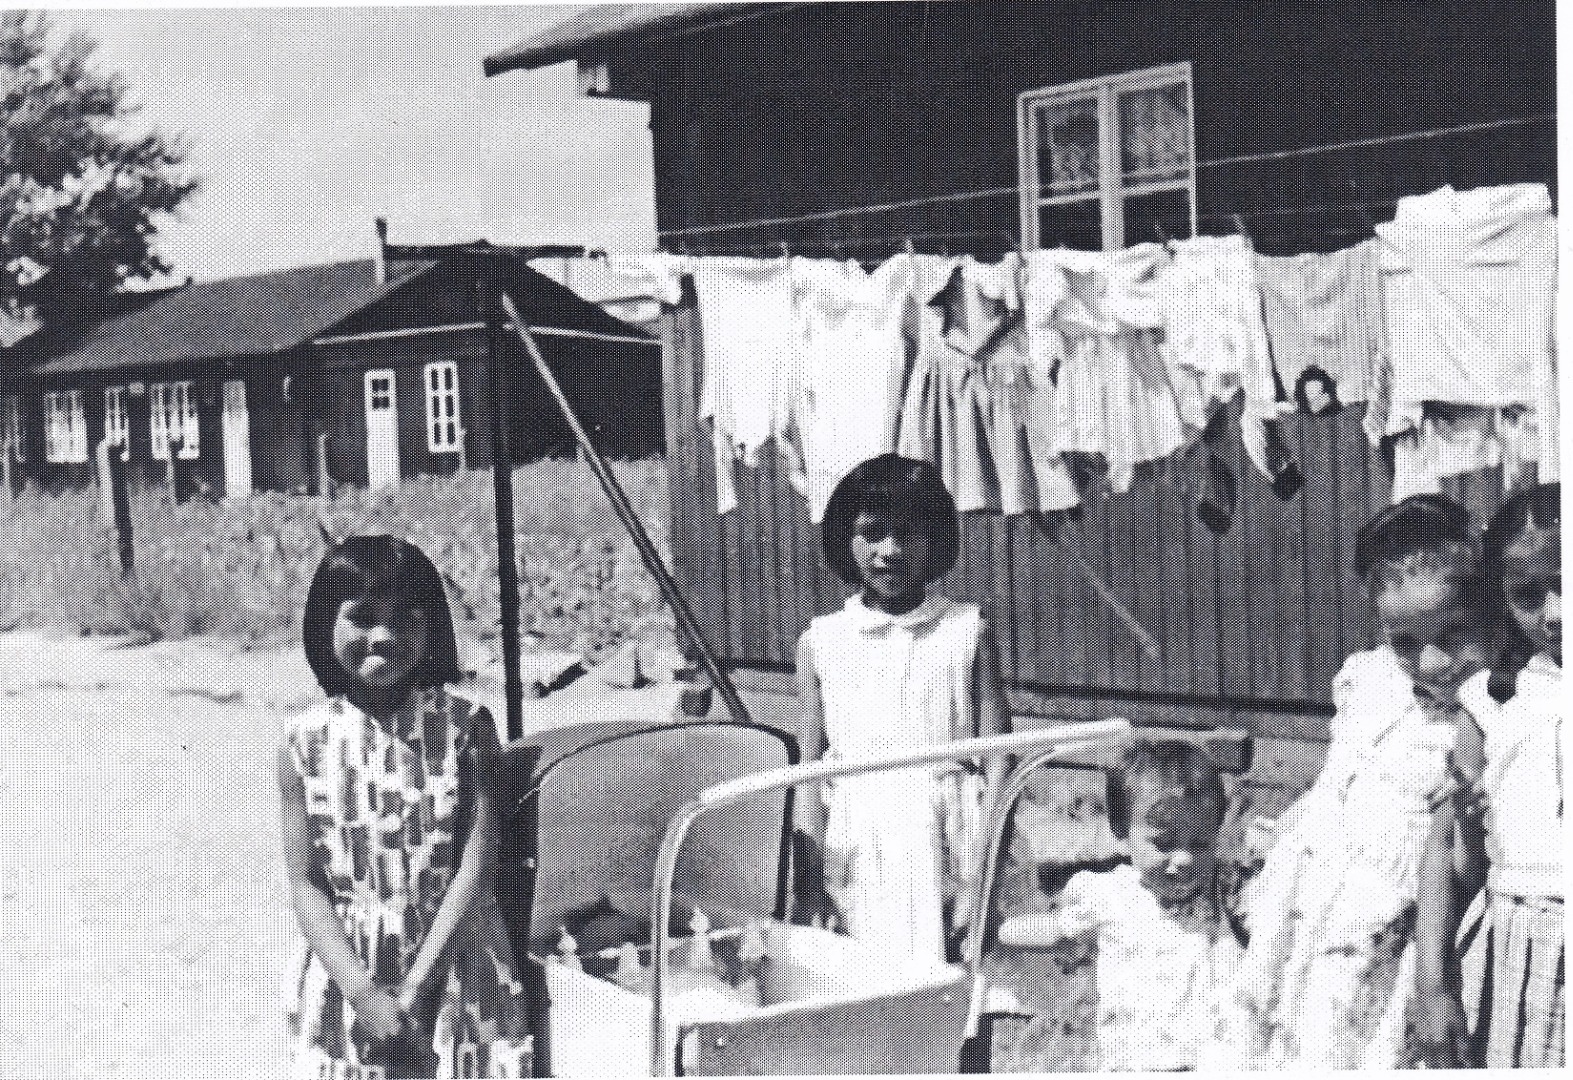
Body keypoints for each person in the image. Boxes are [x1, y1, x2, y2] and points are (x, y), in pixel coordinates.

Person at [1222, 494, 1494, 1068]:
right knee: (1279, 1016)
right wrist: (1283, 843)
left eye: (1450, 634)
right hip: (1317, 889)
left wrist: (1432, 972)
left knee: (1350, 1041)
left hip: (1387, 927)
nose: (1429, 662)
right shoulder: (1366, 678)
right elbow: (1339, 780)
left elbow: (1449, 855)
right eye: (1406, 641)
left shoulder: (1470, 723)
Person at [280, 535, 527, 1079]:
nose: (383, 636)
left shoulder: (467, 730)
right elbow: (306, 885)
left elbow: (476, 867)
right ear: (325, 626)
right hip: (351, 976)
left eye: (404, 619)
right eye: (363, 617)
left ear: (430, 629)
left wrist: (416, 988)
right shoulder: (304, 743)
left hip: (453, 967)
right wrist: (364, 993)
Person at [792, 454, 1010, 964]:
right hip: (859, 843)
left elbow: (999, 761)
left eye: (907, 534)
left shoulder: (964, 633)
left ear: (935, 540)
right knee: (864, 1002)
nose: (889, 551)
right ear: (846, 538)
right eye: (872, 533)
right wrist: (808, 869)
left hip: (948, 842)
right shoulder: (822, 642)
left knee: (957, 998)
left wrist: (982, 878)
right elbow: (808, 769)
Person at [1413, 481, 1562, 1068]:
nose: (1552, 612)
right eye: (1528, 594)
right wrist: (1433, 981)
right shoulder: (1489, 701)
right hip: (1518, 951)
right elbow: (1442, 852)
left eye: (1565, 585)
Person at [996, 740, 1243, 1071]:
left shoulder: (1223, 890)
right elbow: (1057, 932)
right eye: (1164, 844)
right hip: (1132, 1064)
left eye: (1200, 844)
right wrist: (999, 930)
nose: (1183, 859)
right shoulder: (1112, 896)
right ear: (1122, 832)